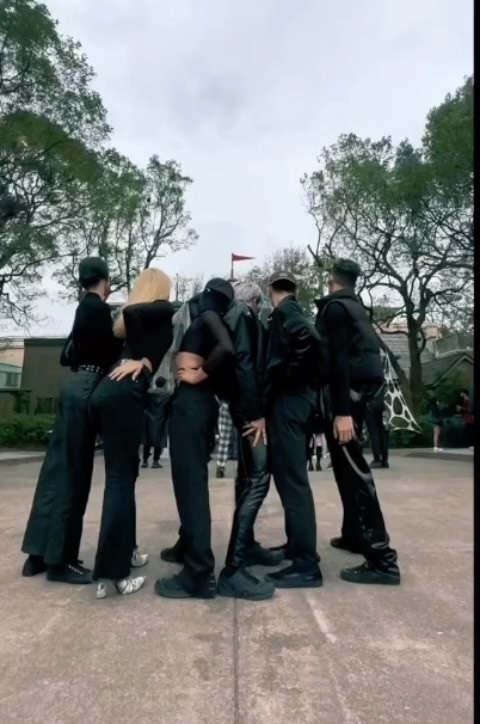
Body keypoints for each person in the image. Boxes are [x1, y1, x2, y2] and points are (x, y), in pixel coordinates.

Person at [21, 257, 122, 585]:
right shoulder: (98, 309)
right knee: (74, 475)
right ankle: (61, 560)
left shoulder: (82, 308)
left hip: (73, 385)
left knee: (55, 470)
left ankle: (38, 553)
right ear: (105, 280)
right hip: (87, 387)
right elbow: (108, 353)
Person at [315, 258, 400, 585]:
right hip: (359, 393)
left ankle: (382, 560)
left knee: (354, 472)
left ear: (331, 278)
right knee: (344, 467)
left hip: (347, 398)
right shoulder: (355, 308)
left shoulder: (336, 309)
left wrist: (342, 412)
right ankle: (354, 534)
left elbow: (339, 361)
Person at [91, 268, 174, 599]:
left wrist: (142, 359)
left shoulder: (142, 322)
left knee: (123, 478)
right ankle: (113, 576)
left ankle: (127, 552)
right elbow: (132, 311)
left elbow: (131, 314)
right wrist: (143, 361)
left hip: (110, 394)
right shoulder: (160, 311)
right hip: (123, 394)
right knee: (121, 482)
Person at [155, 279, 235, 600]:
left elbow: (226, 348)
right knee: (188, 482)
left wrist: (199, 374)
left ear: (208, 297)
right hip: (194, 403)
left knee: (191, 486)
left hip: (193, 403)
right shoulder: (210, 317)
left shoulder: (208, 316)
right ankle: (187, 545)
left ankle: (199, 573)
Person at [217, 280, 281, 600]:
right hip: (249, 411)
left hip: (240, 406)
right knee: (258, 479)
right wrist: (256, 414)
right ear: (254, 301)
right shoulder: (244, 316)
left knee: (246, 479)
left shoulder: (231, 316)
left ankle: (247, 547)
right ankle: (234, 567)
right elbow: (245, 363)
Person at [261, 271, 323, 589]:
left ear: (270, 289)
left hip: (289, 403)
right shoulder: (291, 312)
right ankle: (297, 547)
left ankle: (306, 564)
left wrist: (285, 376)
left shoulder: (286, 312)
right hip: (295, 401)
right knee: (290, 481)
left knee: (293, 482)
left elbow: (309, 340)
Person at [141, 387, 169, 469]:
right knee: (159, 441)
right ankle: (155, 461)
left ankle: (145, 461)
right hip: (161, 418)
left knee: (147, 441)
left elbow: (144, 403)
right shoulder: (167, 395)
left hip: (149, 418)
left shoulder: (149, 394)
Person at [366, 382, 390, 468]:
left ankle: (377, 459)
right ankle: (384, 460)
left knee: (374, 433)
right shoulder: (387, 377)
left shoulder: (371, 376)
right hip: (385, 406)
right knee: (384, 432)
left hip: (373, 405)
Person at [215, 401, 235, 478]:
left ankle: (220, 467)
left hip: (227, 403)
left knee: (224, 438)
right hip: (242, 404)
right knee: (245, 436)